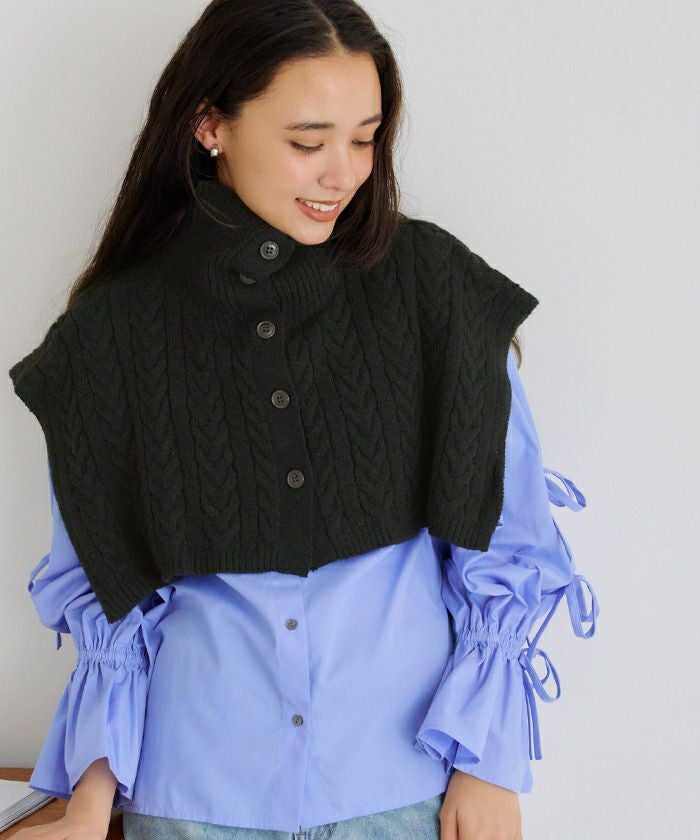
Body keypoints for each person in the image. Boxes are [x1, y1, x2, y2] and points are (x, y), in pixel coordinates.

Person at [9, 2, 599, 840]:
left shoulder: (433, 291)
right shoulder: (112, 333)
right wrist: (88, 804)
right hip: (192, 800)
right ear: (210, 126)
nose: (343, 174)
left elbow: (507, 537)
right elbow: (106, 589)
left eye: (365, 139)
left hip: (400, 790)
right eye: (308, 141)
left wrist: (488, 765)